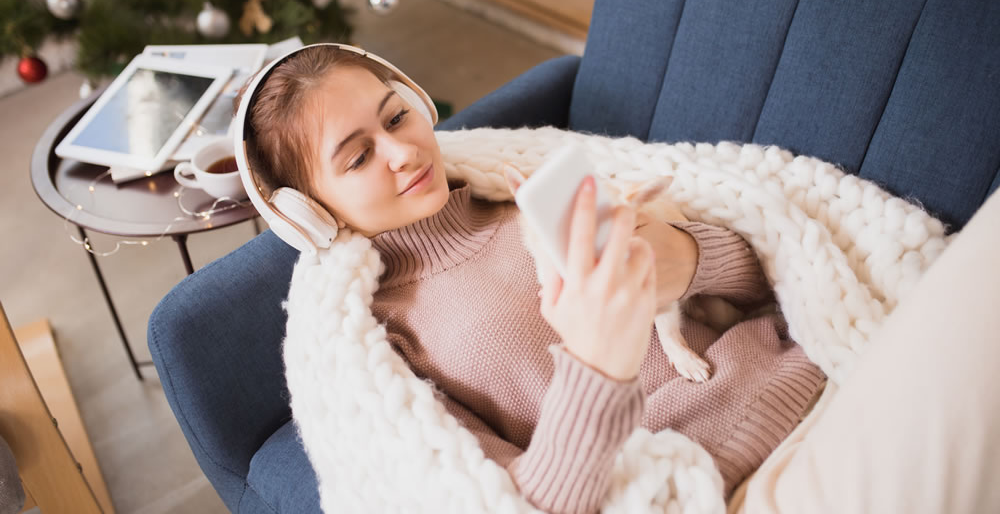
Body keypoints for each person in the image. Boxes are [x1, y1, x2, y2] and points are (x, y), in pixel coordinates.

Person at [242, 44, 825, 514]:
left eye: (397, 116)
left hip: (816, 371)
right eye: (358, 157)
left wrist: (684, 257)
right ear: (310, 214)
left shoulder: (532, 188)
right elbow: (521, 503)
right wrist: (598, 367)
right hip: (719, 483)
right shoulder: (389, 340)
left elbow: (773, 280)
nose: (401, 151)